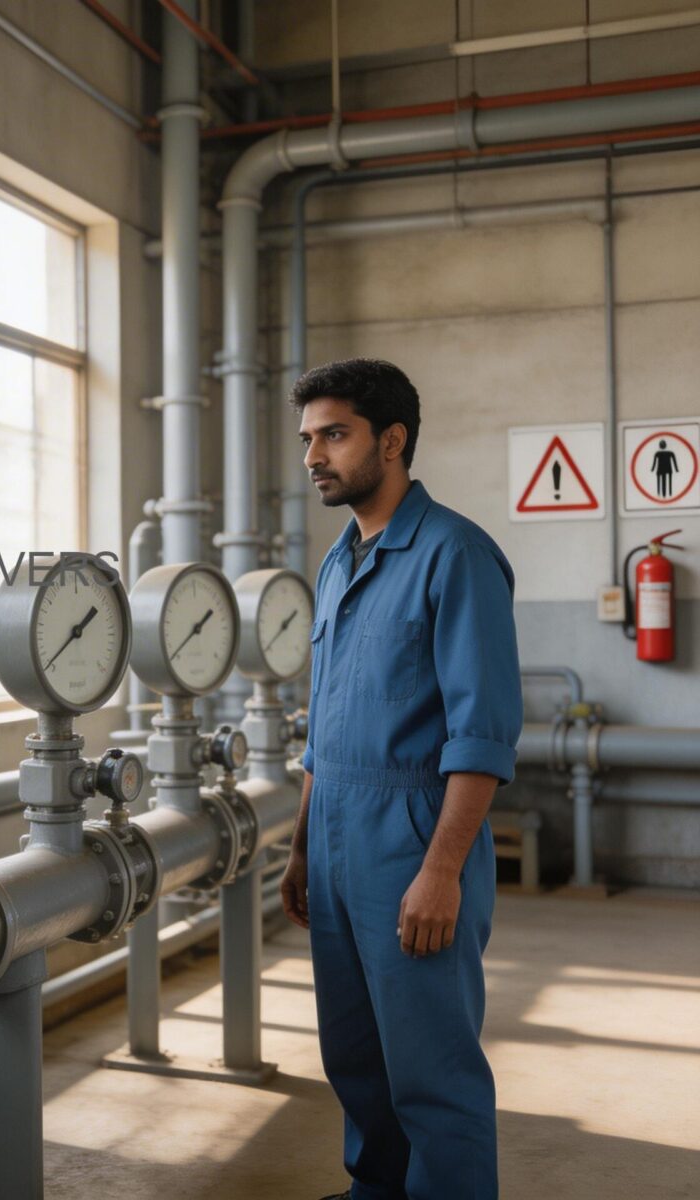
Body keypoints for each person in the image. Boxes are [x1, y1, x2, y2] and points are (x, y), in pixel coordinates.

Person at [281, 359, 522, 1200]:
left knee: (431, 1066)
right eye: (308, 438)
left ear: (392, 441)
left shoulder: (456, 555)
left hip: (412, 837)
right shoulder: (337, 564)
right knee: (355, 1053)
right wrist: (303, 848)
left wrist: (442, 871)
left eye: (334, 435)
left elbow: (481, 737)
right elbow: (324, 725)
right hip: (335, 838)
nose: (314, 456)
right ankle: (377, 1191)